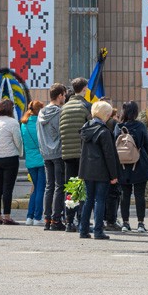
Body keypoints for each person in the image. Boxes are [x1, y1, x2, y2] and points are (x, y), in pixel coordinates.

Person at [78, 101, 120, 239]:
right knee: (100, 200)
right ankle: (98, 230)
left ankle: (83, 230)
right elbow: (110, 155)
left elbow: (82, 152)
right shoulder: (104, 131)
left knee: (88, 200)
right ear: (105, 115)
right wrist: (114, 175)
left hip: (87, 170)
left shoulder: (85, 129)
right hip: (101, 171)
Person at [58, 78, 91, 231]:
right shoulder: (85, 106)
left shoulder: (64, 107)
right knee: (82, 188)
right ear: (84, 89)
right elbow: (91, 129)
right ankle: (82, 220)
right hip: (82, 153)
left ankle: (69, 221)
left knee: (71, 188)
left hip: (66, 153)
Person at [116, 100, 148, 233]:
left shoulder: (118, 127)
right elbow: (146, 145)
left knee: (125, 194)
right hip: (139, 164)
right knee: (140, 195)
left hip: (123, 165)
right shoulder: (141, 126)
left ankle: (125, 223)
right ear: (135, 112)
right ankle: (141, 224)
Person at [0, 98, 24, 225]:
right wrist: (20, 152)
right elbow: (18, 140)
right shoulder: (13, 122)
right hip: (10, 157)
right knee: (8, 188)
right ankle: (7, 216)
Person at [38, 83, 66, 230]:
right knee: (59, 186)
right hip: (58, 152)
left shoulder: (41, 112)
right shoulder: (58, 112)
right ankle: (56, 219)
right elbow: (61, 132)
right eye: (64, 95)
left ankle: (47, 219)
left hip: (45, 153)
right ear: (60, 95)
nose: (65, 98)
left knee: (49, 186)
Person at [21, 101, 46, 225]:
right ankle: (37, 217)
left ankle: (29, 217)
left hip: (30, 160)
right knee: (40, 189)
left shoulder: (23, 124)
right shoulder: (40, 123)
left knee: (35, 188)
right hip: (41, 159)